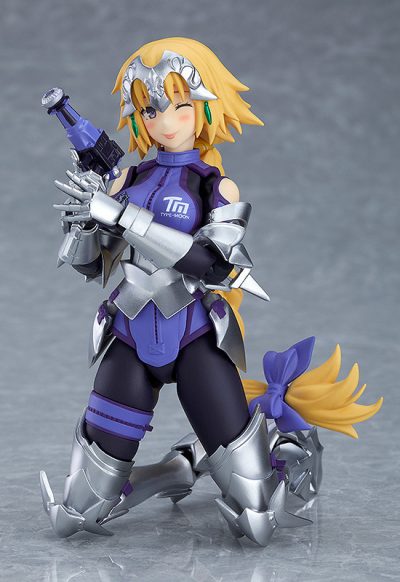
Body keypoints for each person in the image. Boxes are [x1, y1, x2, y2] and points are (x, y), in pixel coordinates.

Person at [40, 37, 382, 546]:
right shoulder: (125, 178)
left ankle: (271, 440)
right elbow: (90, 266)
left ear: (205, 108)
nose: (165, 121)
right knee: (75, 511)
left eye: (180, 105)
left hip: (194, 338)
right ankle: (175, 470)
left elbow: (213, 264)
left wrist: (121, 214)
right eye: (150, 109)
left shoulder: (214, 187)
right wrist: (84, 223)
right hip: (130, 337)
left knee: (257, 514)